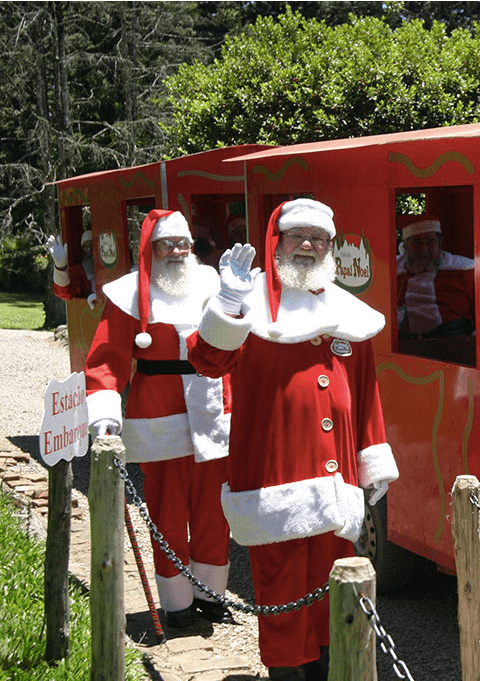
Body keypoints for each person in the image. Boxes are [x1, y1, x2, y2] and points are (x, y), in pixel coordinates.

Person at [187, 198, 399, 680]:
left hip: (339, 485)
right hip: (274, 482)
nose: (308, 245)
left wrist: (373, 460)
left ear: (330, 247)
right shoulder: (251, 304)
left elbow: (366, 394)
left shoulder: (348, 312)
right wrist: (228, 304)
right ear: (276, 243)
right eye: (297, 236)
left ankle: (330, 668)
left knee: (335, 592)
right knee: (283, 595)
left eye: (318, 238)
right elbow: (206, 362)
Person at [83, 209, 233, 631]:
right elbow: (106, 361)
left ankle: (210, 593)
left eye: (184, 243)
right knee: (167, 508)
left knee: (213, 508)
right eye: (168, 245)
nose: (178, 251)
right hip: (159, 415)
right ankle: (177, 601)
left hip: (213, 408)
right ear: (152, 250)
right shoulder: (127, 295)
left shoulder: (214, 284)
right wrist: (106, 414)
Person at [395, 217, 475, 339]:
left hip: (453, 340)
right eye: (417, 242)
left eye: (431, 242)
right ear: (405, 247)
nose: (424, 249)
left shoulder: (465, 270)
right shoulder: (392, 271)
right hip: (405, 344)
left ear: (439, 243)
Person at [47, 230, 97, 308]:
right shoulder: (80, 271)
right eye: (86, 246)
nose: (89, 249)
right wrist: (60, 267)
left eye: (91, 245)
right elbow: (64, 293)